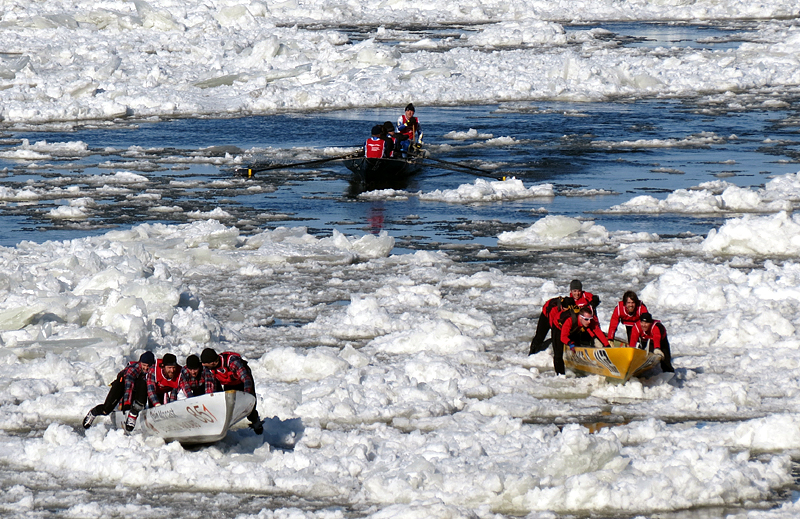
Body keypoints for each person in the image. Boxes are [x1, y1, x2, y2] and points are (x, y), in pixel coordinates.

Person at [83, 351, 154, 431]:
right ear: (140, 363)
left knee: (142, 387)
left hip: (136, 388)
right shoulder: (133, 370)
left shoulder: (152, 371)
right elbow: (128, 387)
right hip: (121, 385)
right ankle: (93, 413)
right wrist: (126, 405)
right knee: (106, 409)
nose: (146, 368)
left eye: (148, 366)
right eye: (144, 365)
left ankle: (134, 413)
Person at [201, 348, 263, 434]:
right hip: (229, 384)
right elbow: (210, 387)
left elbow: (246, 379)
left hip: (243, 381)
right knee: (226, 405)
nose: (204, 366)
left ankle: (256, 422)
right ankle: (219, 427)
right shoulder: (209, 369)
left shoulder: (233, 362)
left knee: (249, 408)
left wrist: (247, 396)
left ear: (213, 363)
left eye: (206, 365)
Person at [557, 306, 610, 375]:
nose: (589, 321)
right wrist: (570, 343)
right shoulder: (569, 320)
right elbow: (563, 337)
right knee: (558, 353)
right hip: (558, 327)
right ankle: (560, 374)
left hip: (574, 328)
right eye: (587, 319)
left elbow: (598, 332)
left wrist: (607, 345)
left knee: (578, 340)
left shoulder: (588, 321)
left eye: (591, 319)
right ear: (580, 317)